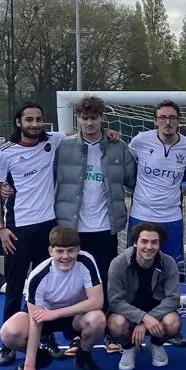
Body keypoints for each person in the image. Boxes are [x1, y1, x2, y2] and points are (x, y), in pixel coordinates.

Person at [0, 103, 64, 367]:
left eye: (39, 119)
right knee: (14, 289)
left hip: (48, 229)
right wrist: (1, 229)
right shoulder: (4, 152)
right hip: (17, 231)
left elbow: (84, 132)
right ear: (18, 122)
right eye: (29, 119)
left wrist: (110, 133)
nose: (35, 123)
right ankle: (7, 345)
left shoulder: (53, 141)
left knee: (48, 290)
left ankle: (47, 338)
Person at [0, 225, 106, 370]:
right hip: (44, 316)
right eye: (60, 251)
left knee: (98, 319)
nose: (66, 256)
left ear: (78, 250)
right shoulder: (38, 276)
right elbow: (36, 321)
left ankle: (83, 354)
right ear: (50, 251)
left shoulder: (86, 261)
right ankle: (41, 358)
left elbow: (97, 302)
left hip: (75, 315)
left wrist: (56, 313)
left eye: (71, 251)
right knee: (8, 333)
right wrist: (29, 365)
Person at [53, 94, 136, 273]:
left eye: (94, 118)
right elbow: (44, 178)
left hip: (106, 226)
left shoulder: (118, 146)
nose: (89, 123)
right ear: (78, 118)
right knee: (74, 279)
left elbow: (134, 180)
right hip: (72, 226)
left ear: (102, 117)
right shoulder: (63, 147)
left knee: (105, 277)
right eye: (85, 118)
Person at [105, 222, 183, 370]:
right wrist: (143, 318)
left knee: (173, 322)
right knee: (116, 324)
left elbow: (173, 299)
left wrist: (148, 319)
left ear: (160, 244)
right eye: (144, 241)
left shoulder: (169, 263)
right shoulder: (118, 264)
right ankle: (129, 347)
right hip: (129, 313)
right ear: (135, 243)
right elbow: (115, 301)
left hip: (157, 313)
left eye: (154, 242)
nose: (149, 247)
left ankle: (156, 344)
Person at [127, 100, 186, 263]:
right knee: (137, 266)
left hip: (171, 216)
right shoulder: (140, 141)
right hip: (142, 214)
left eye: (172, 117)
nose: (167, 121)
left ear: (178, 120)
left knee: (171, 267)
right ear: (155, 120)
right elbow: (126, 163)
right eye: (162, 117)